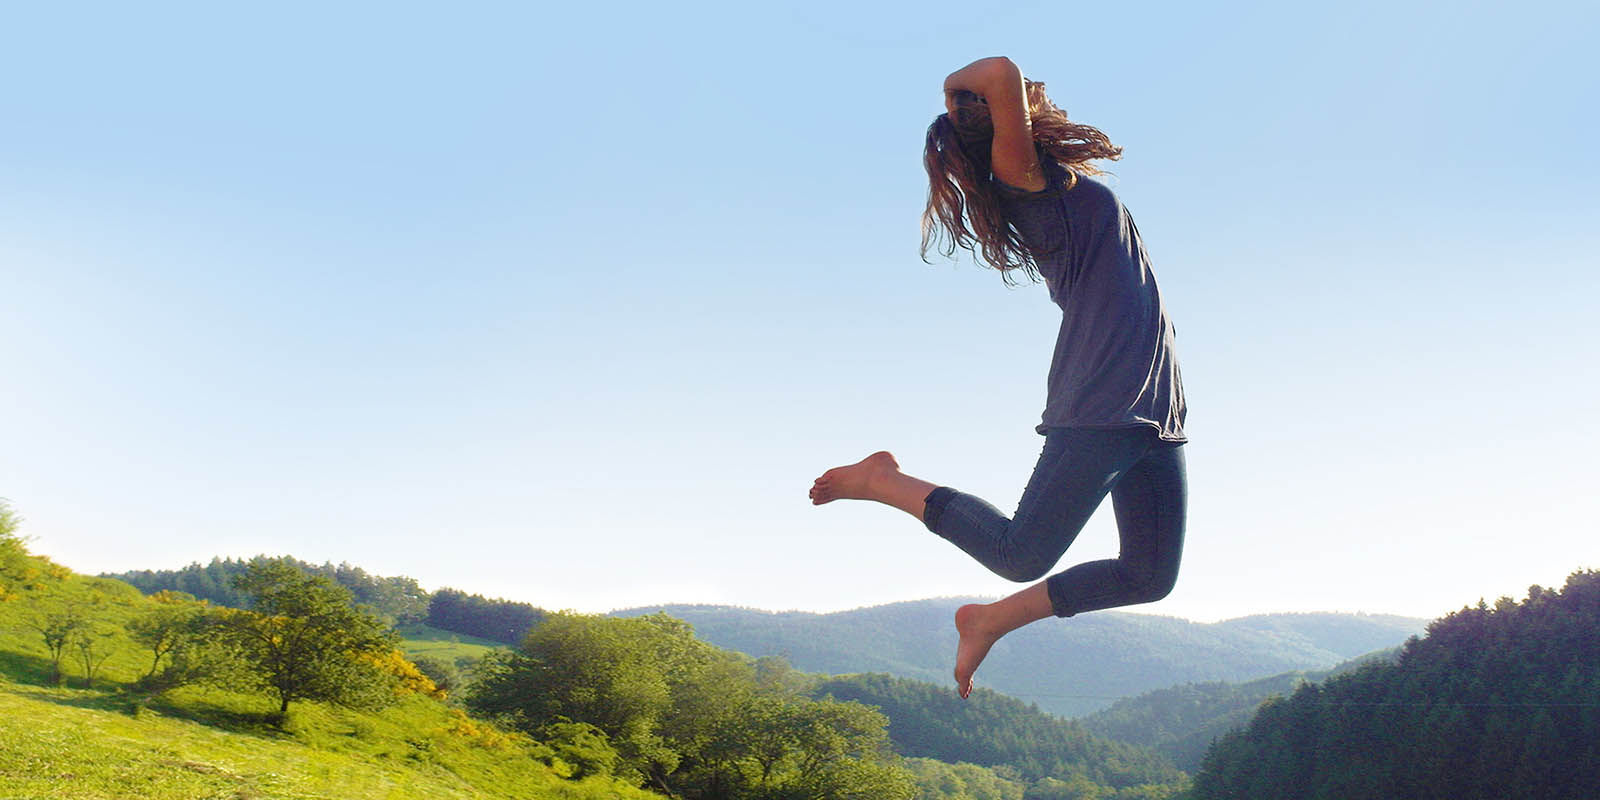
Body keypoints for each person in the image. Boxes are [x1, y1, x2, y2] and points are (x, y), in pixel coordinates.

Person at [809, 57, 1188, 699]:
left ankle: (989, 620)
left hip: (1152, 407)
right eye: (1023, 98)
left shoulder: (1050, 180)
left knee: (1148, 574)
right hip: (1103, 400)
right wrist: (961, 97)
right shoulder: (1022, 178)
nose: (1037, 89)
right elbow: (996, 69)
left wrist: (989, 105)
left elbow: (1005, 81)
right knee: (1019, 554)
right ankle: (883, 479)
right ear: (996, 123)